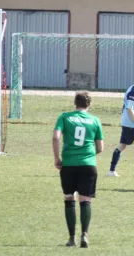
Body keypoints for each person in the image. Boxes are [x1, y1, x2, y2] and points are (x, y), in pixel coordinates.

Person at [52, 92, 104, 248]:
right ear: (89, 105)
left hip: (68, 164)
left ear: (75, 103)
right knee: (85, 200)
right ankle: (85, 235)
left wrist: (57, 158)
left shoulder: (65, 117)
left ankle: (71, 238)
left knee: (69, 198)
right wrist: (87, 155)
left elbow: (55, 137)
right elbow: (100, 147)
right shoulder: (95, 120)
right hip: (88, 165)